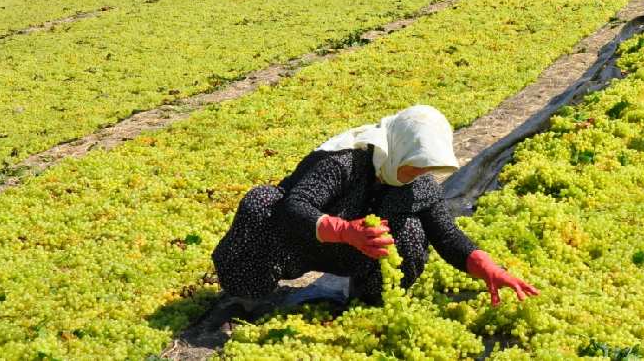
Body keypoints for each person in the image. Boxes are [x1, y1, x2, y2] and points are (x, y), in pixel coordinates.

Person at [212, 105, 539, 307]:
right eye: (415, 163)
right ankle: (245, 296)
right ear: (397, 146)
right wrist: (343, 230)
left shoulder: (417, 184)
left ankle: (367, 301)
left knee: (411, 231)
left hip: (355, 254)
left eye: (425, 166)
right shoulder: (345, 160)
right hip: (296, 243)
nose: (418, 173)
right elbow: (294, 207)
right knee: (262, 203)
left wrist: (485, 266)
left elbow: (446, 235)